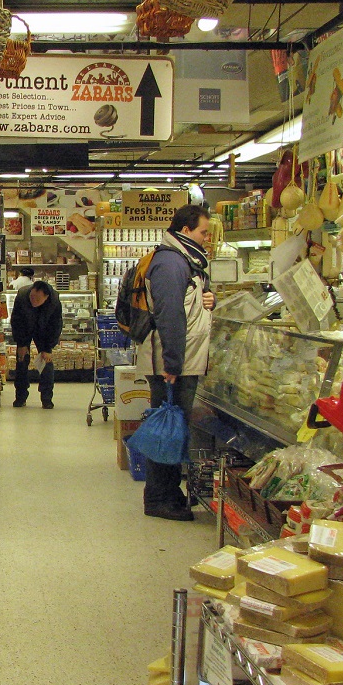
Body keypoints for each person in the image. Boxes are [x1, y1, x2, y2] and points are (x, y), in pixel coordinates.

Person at [136, 204, 215, 521]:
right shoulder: (170, 263)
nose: (207, 238)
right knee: (166, 428)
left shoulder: (186, 261)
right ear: (186, 231)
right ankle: (159, 498)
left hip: (180, 359)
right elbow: (169, 315)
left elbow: (191, 302)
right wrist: (172, 362)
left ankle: (168, 493)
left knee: (172, 426)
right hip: (172, 362)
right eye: (203, 232)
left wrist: (210, 298)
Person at [10, 279, 63, 409]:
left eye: (37, 299)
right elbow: (16, 321)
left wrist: (48, 348)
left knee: (46, 362)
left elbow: (56, 325)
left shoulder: (54, 300)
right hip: (25, 329)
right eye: (32, 297)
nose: (33, 301)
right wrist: (21, 344)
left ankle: (46, 398)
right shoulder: (22, 295)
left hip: (44, 331)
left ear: (46, 297)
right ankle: (20, 397)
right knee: (21, 360)